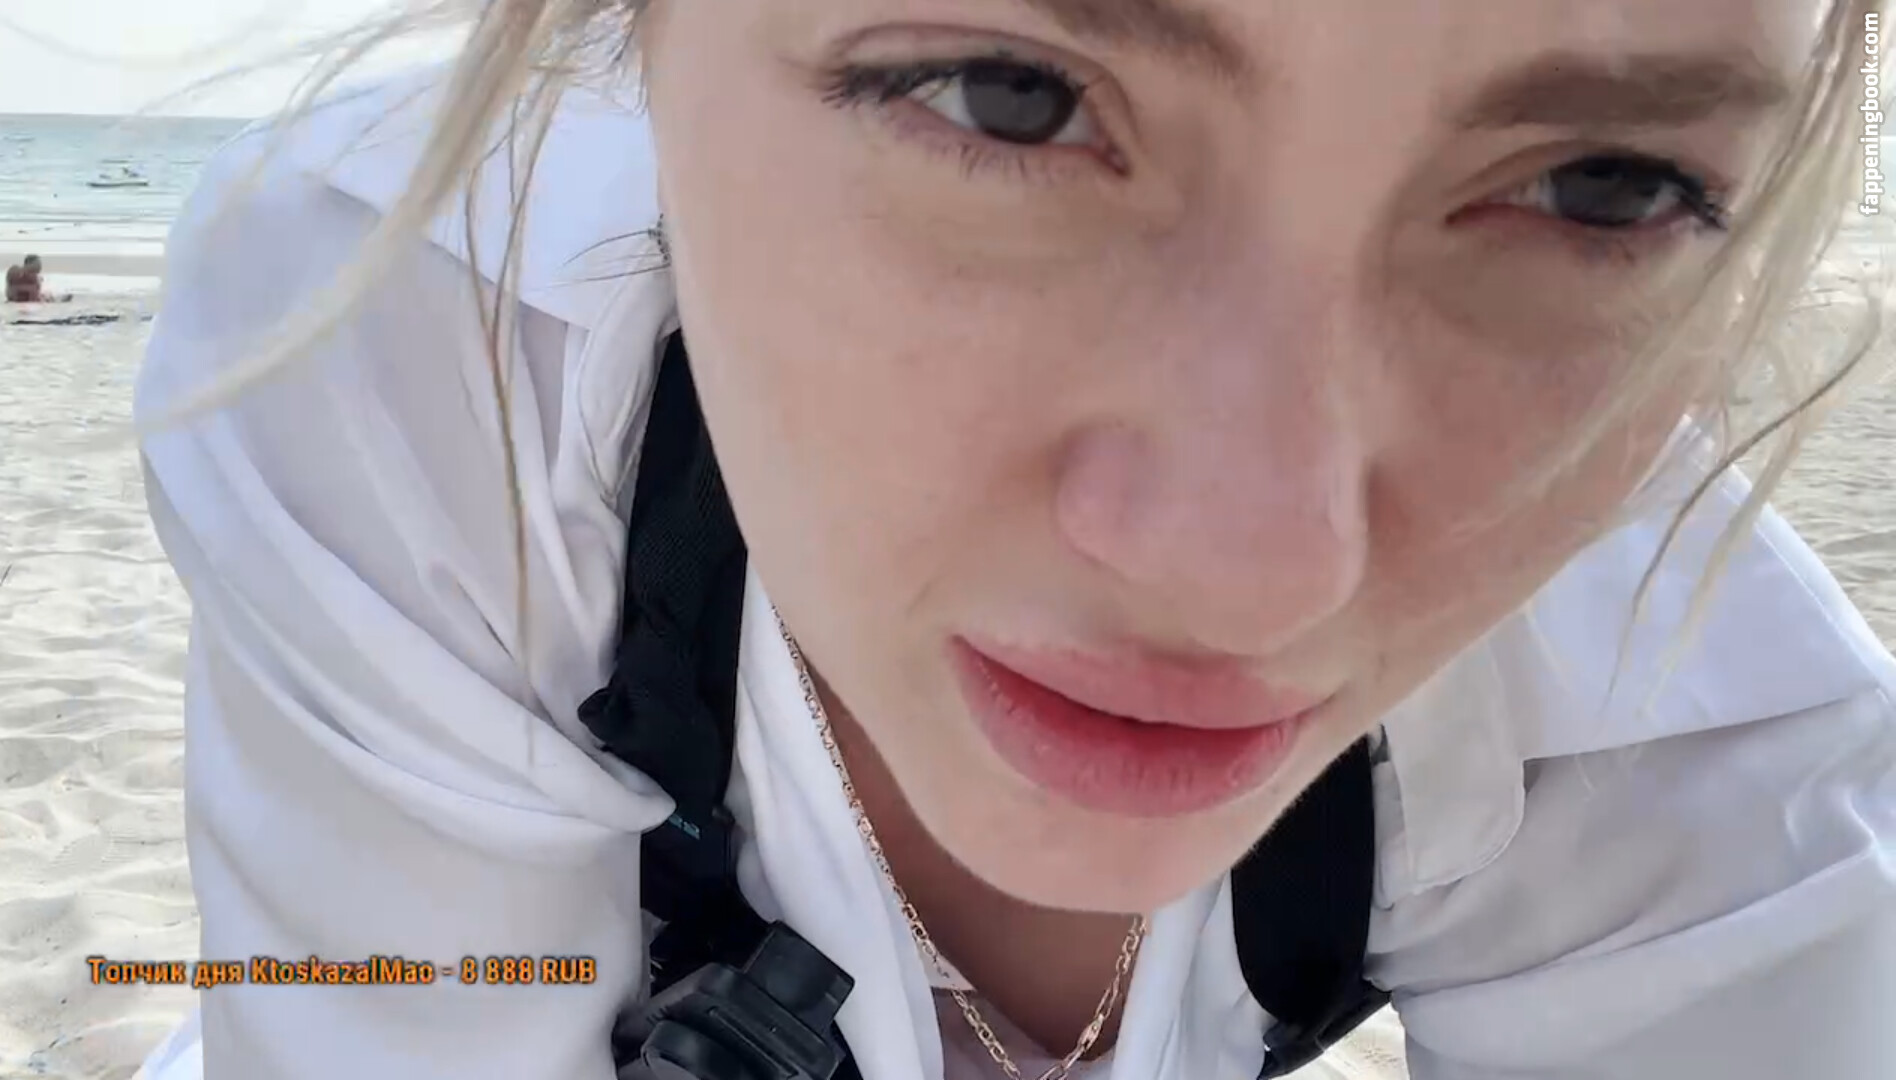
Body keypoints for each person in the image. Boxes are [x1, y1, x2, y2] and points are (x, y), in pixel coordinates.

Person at [131, 1, 1895, 1078]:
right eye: (1006, 95)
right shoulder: (414, 348)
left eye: (1605, 189)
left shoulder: (1707, 750)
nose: (1258, 574)